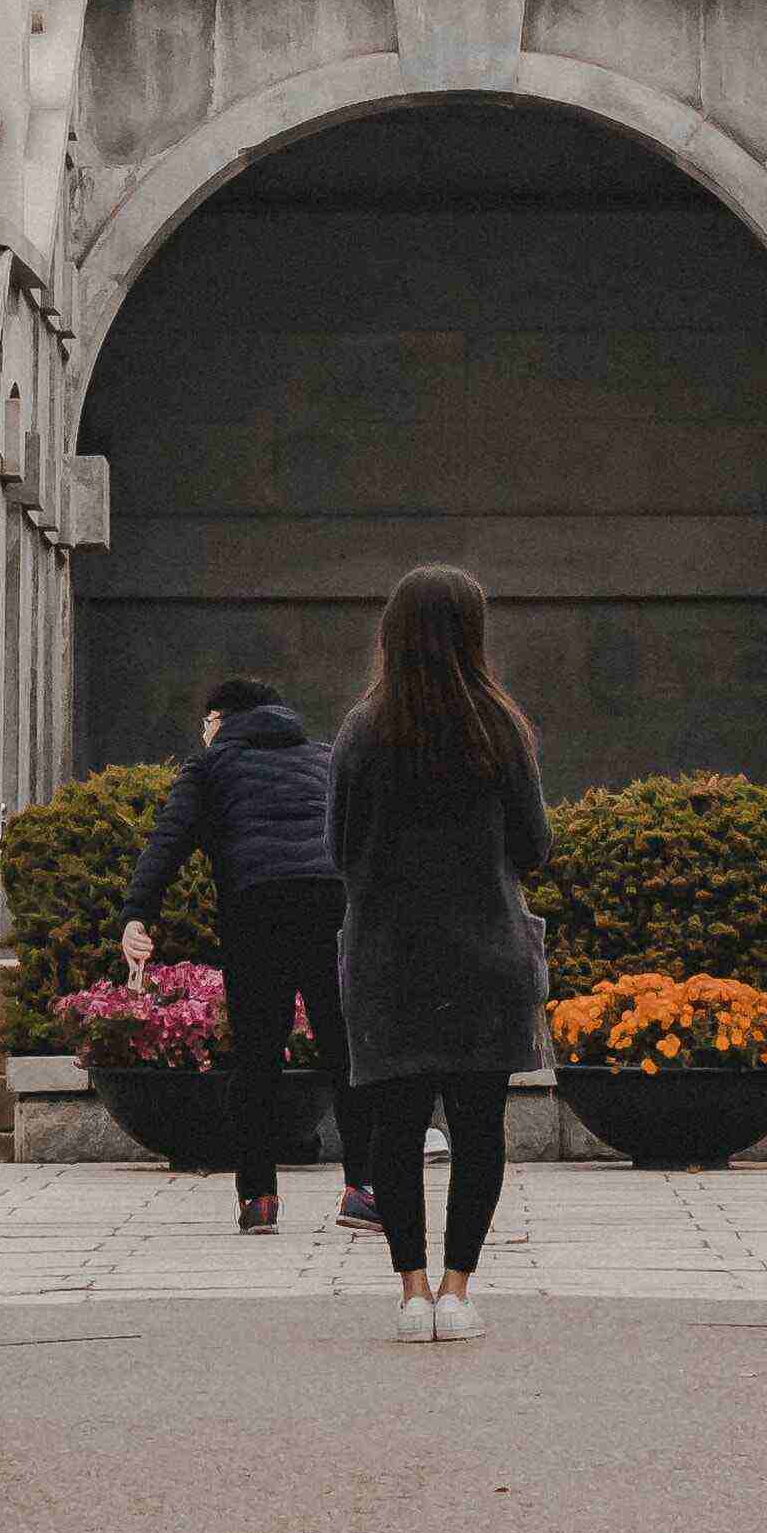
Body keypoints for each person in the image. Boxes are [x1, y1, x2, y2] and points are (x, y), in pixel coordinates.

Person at [330, 562, 551, 1346]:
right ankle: (458, 1292)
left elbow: (339, 847)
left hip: (388, 956)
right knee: (477, 1126)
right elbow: (535, 845)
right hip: (483, 953)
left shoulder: (363, 729)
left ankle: (411, 1293)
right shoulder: (500, 727)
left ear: (391, 632)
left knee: (395, 1127)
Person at [121, 675, 375, 1236]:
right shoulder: (324, 758)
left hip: (255, 908)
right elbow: (360, 837)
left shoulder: (210, 765)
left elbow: (168, 841)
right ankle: (362, 1189)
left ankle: (258, 1198)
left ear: (220, 721)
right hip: (329, 904)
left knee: (258, 1056)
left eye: (206, 723)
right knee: (344, 1050)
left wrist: (138, 915)